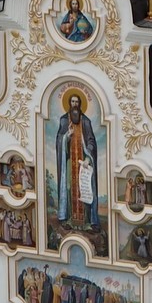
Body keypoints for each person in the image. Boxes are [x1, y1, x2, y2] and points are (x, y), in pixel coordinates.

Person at [55, 91, 101, 231]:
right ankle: (68, 218)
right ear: (69, 104)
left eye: (77, 102)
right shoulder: (64, 120)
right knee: (70, 187)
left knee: (85, 189)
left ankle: (88, 222)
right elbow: (58, 140)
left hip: (84, 162)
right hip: (70, 162)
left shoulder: (86, 121)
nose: (75, 104)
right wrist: (66, 137)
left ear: (80, 104)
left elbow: (91, 141)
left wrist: (88, 157)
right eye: (72, 102)